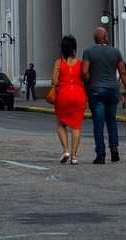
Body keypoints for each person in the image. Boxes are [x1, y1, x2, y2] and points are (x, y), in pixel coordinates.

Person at [82, 27, 126, 164]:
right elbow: (123, 73)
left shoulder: (88, 52)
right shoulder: (115, 52)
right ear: (105, 38)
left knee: (98, 123)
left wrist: (89, 84)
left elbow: (85, 72)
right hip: (112, 90)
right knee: (111, 120)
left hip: (96, 91)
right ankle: (114, 149)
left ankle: (101, 154)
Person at [52, 35, 87, 165]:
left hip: (63, 95)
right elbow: (85, 77)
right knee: (76, 126)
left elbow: (54, 81)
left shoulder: (59, 63)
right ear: (74, 48)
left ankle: (66, 150)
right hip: (78, 95)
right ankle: (74, 156)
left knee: (61, 124)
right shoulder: (80, 63)